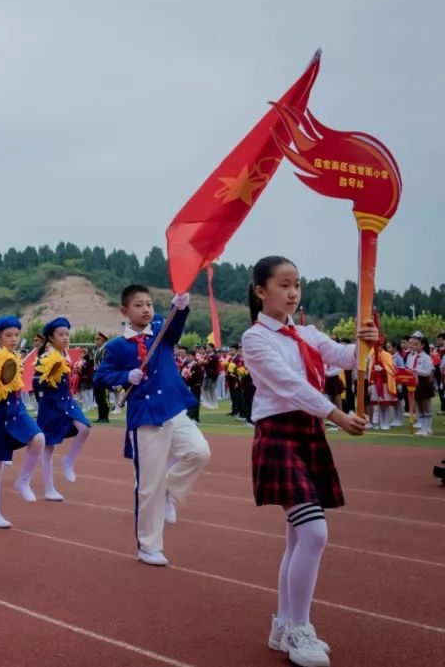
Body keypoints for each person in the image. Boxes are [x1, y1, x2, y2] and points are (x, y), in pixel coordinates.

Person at [241, 255, 378, 667]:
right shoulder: (255, 339)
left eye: (296, 284)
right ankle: (301, 628)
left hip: (309, 436)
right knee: (314, 533)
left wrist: (368, 341)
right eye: (283, 285)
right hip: (279, 436)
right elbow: (289, 385)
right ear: (261, 292)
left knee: (299, 536)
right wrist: (335, 414)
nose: (293, 292)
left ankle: (284, 626)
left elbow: (348, 357)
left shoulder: (308, 333)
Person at [94, 285, 210, 567]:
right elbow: (101, 377)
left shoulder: (161, 328)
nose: (146, 309)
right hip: (145, 415)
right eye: (138, 305)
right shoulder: (117, 346)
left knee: (199, 452)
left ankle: (169, 488)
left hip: (173, 407)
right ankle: (149, 546)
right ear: (125, 311)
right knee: (148, 486)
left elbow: (174, 330)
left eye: (148, 304)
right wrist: (124, 376)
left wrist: (179, 308)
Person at [0, 316, 43, 527]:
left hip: (17, 412)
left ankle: (23, 480)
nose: (14, 339)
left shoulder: (15, 357)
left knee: (39, 438)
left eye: (16, 334)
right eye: (8, 335)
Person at [30, 316, 92, 500]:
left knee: (85, 427)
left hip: (67, 402)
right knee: (48, 448)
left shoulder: (66, 355)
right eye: (61, 334)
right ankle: (49, 488)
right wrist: (47, 376)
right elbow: (36, 384)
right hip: (50, 405)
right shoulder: (45, 358)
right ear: (51, 337)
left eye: (67, 334)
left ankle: (68, 461)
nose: (66, 338)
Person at [91, 333, 110, 422]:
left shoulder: (105, 350)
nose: (96, 341)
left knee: (103, 396)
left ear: (103, 340)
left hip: (103, 374)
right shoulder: (97, 350)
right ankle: (100, 416)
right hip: (96, 374)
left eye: (97, 339)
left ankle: (105, 417)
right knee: (97, 395)